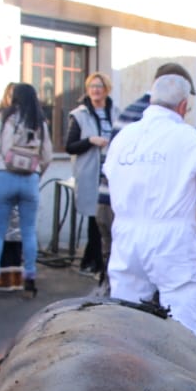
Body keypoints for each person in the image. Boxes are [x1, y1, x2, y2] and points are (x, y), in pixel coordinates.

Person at [104, 72, 196, 344]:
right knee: (186, 318)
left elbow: (111, 179)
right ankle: (191, 380)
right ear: (183, 105)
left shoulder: (124, 137)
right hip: (172, 237)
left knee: (126, 315)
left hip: (126, 236)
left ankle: (126, 373)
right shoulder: (191, 139)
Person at [0, 82, 50, 298]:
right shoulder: (40, 120)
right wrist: (37, 172)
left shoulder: (5, 117)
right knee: (28, 231)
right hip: (29, 179)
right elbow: (47, 154)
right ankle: (29, 279)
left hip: (4, 177)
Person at [65, 72, 117, 277]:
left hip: (111, 172)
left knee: (108, 217)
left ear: (106, 89)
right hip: (91, 171)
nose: (96, 90)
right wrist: (90, 141)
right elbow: (70, 146)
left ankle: (98, 260)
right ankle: (94, 261)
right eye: (92, 86)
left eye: (99, 86)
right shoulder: (79, 114)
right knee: (94, 218)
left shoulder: (115, 112)